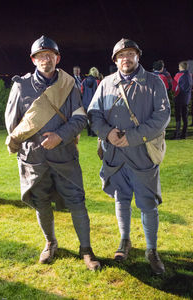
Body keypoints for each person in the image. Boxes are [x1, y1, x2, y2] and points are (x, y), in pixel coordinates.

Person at [5, 35, 100, 271]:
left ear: (57, 58)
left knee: (78, 202)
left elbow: (80, 118)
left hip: (64, 155)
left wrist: (60, 136)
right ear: (33, 60)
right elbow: (12, 124)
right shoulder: (21, 85)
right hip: (34, 159)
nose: (45, 59)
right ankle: (50, 242)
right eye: (40, 55)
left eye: (50, 55)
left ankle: (86, 249)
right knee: (41, 203)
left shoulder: (69, 85)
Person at [88, 38, 170, 275]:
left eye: (130, 53)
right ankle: (125, 240)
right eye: (121, 55)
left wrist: (133, 136)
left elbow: (162, 117)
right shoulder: (105, 83)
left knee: (148, 205)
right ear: (115, 60)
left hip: (142, 155)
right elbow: (94, 114)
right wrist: (108, 133)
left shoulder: (154, 82)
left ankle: (151, 250)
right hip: (115, 155)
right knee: (121, 199)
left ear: (138, 56)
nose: (126, 58)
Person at [172, 61, 192, 139]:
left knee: (178, 116)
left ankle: (177, 134)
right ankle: (184, 134)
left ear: (181, 67)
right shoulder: (189, 75)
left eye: (179, 66)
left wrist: (174, 95)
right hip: (187, 98)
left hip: (179, 98)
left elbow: (175, 87)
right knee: (185, 116)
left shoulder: (178, 75)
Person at [81, 67, 100, 136]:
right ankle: (93, 133)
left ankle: (89, 133)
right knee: (94, 118)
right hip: (94, 103)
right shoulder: (97, 81)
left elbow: (82, 91)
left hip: (85, 102)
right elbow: (99, 92)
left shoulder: (84, 81)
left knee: (88, 118)